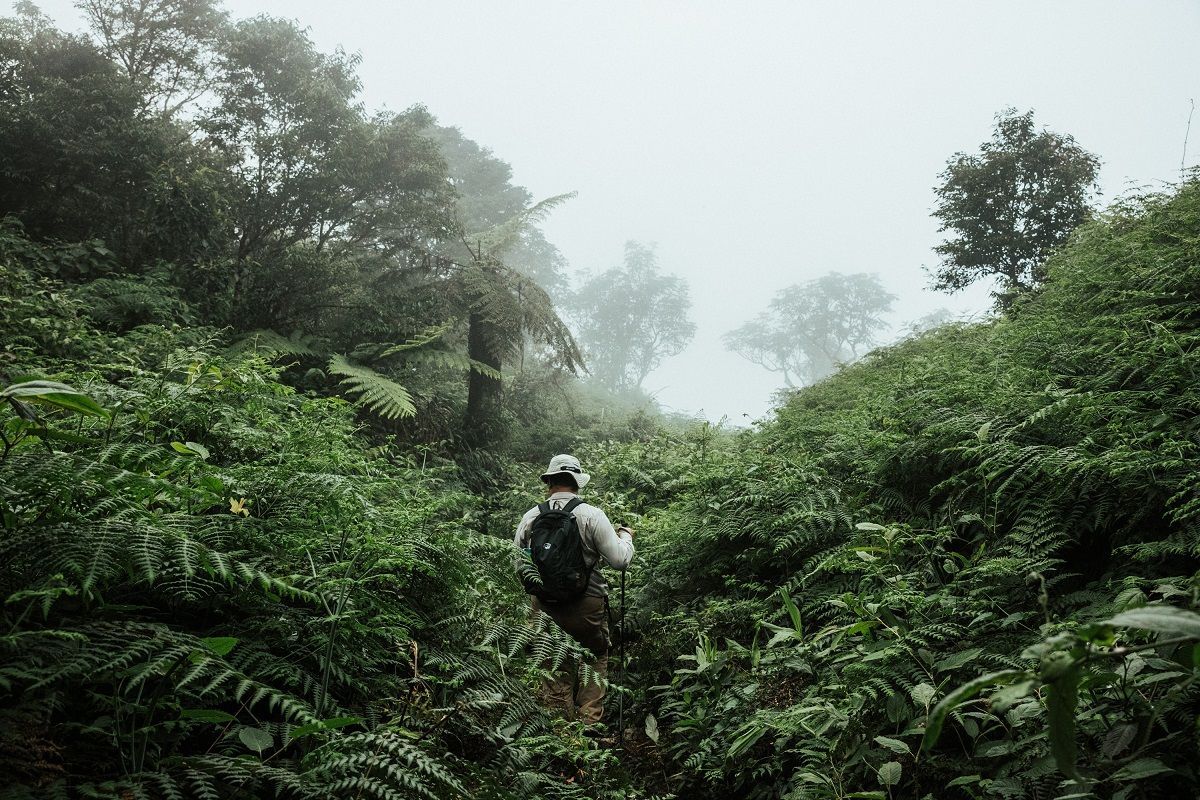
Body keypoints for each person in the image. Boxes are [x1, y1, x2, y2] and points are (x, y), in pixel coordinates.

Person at [513, 454, 634, 727]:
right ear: (577, 483)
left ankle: (560, 734)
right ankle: (589, 726)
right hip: (587, 605)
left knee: (554, 663)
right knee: (595, 657)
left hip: (544, 607)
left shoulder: (531, 517)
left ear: (549, 483)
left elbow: (518, 565)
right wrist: (625, 537)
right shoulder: (591, 515)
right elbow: (620, 561)